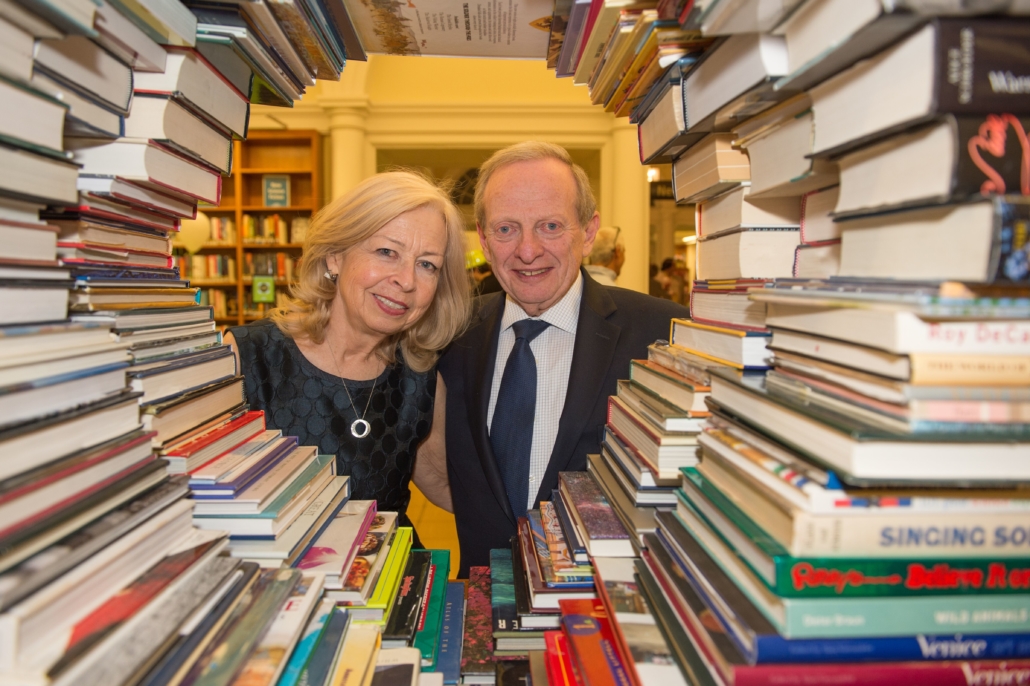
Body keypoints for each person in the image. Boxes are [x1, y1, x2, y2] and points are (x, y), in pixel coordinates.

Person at [419, 142, 689, 576]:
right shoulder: (448, 334)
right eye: (506, 229)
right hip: (486, 604)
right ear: (484, 241)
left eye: (549, 226)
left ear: (587, 231)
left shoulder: (664, 336)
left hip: (610, 609)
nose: (528, 250)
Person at [223, 171, 470, 542]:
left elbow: (445, 483)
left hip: (385, 583)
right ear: (335, 256)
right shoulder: (248, 358)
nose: (406, 280)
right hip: (277, 583)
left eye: (427, 265)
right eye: (387, 252)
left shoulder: (420, 377)